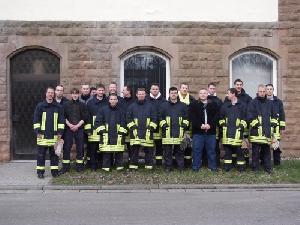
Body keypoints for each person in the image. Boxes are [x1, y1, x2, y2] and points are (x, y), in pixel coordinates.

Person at [33, 86, 65, 178]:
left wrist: (60, 133)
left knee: (54, 156)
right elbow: (36, 120)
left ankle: (54, 172)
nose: (50, 94)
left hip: (54, 136)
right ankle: (40, 172)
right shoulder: (40, 106)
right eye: (49, 92)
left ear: (53, 94)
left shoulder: (58, 107)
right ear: (46, 94)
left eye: (52, 93)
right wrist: (37, 132)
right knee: (40, 155)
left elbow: (61, 121)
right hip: (42, 136)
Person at [247, 84, 278, 174]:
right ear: (258, 91)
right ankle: (255, 168)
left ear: (266, 92)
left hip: (267, 132)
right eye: (260, 91)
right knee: (255, 152)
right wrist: (256, 124)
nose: (262, 93)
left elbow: (274, 115)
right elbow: (249, 115)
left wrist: (272, 124)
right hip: (256, 132)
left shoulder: (270, 103)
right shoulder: (253, 102)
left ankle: (267, 168)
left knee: (267, 152)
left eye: (264, 91)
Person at [94, 93, 127, 171]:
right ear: (109, 100)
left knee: (119, 152)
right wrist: (103, 131)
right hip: (106, 135)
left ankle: (119, 167)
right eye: (111, 99)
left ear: (117, 100)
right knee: (107, 152)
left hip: (118, 135)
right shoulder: (103, 110)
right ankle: (106, 168)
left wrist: (121, 131)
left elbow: (125, 122)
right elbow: (97, 122)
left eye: (114, 99)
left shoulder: (122, 111)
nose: (113, 101)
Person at [126, 88, 157, 170]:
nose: (141, 95)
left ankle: (149, 166)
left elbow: (154, 118)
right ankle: (133, 166)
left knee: (149, 150)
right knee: (134, 151)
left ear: (145, 94)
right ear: (136, 95)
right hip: (135, 132)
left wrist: (151, 126)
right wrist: (132, 126)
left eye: (142, 94)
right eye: (139, 94)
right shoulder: (132, 106)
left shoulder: (151, 106)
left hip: (147, 132)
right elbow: (128, 118)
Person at [159, 87, 189, 172]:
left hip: (179, 132)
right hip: (167, 132)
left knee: (180, 151)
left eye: (175, 93)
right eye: (172, 93)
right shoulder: (163, 105)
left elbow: (187, 118)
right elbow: (160, 117)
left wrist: (184, 125)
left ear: (177, 94)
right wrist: (163, 124)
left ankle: (180, 167)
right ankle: (168, 167)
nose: (173, 94)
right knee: (167, 151)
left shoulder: (183, 106)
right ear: (169, 94)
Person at [59, 88, 88, 174]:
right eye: (73, 93)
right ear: (71, 95)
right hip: (69, 129)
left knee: (80, 148)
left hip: (80, 129)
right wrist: (70, 125)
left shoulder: (83, 105)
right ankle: (65, 168)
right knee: (67, 148)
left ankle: (79, 167)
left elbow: (85, 118)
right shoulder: (66, 105)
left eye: (76, 93)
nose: (75, 95)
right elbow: (63, 117)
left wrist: (78, 125)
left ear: (78, 94)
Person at [189, 88, 218, 172]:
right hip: (198, 132)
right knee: (197, 150)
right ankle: (196, 167)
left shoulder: (213, 104)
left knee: (211, 150)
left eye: (204, 93)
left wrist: (210, 125)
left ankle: (212, 167)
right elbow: (192, 117)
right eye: (201, 93)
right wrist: (200, 125)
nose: (202, 94)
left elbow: (216, 116)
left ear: (207, 94)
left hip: (210, 132)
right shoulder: (194, 104)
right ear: (199, 94)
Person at [225, 79, 252, 166]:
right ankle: (233, 163)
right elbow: (225, 110)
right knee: (233, 145)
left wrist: (244, 124)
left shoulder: (247, 97)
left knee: (244, 144)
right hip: (232, 126)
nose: (239, 86)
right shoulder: (228, 98)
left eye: (240, 84)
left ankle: (245, 162)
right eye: (237, 84)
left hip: (244, 126)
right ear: (234, 85)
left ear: (242, 86)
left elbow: (249, 111)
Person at [219, 88, 247, 172]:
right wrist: (223, 124)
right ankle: (227, 167)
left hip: (237, 132)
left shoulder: (242, 105)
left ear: (233, 94)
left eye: (228, 94)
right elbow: (221, 117)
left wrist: (242, 126)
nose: (227, 95)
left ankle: (241, 168)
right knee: (227, 151)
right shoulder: (225, 105)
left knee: (239, 152)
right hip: (227, 133)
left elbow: (245, 118)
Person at [85, 84, 108, 170]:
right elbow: (87, 116)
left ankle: (102, 165)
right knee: (93, 150)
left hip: (104, 128)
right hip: (93, 130)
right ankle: (93, 166)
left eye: (102, 90)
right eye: (99, 90)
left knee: (103, 148)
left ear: (104, 91)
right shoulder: (90, 102)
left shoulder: (107, 101)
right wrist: (88, 129)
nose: (101, 92)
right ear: (96, 91)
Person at [266, 84, 286, 166]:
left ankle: (277, 163)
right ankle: (264, 162)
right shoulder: (263, 101)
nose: (269, 90)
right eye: (268, 89)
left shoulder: (278, 102)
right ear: (265, 90)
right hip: (265, 128)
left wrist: (282, 128)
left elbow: (282, 115)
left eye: (271, 89)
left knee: (275, 146)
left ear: (273, 90)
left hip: (275, 129)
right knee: (265, 147)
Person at [147, 83, 165, 166]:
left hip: (160, 127)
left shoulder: (164, 100)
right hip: (149, 126)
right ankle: (149, 162)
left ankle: (158, 163)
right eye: (153, 89)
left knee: (159, 146)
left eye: (156, 89)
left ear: (159, 90)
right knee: (149, 146)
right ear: (150, 90)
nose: (155, 90)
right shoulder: (146, 100)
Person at [178, 83, 195, 166]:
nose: (184, 89)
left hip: (188, 126)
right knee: (178, 145)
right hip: (177, 126)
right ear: (180, 89)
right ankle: (177, 162)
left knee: (187, 144)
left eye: (186, 88)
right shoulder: (175, 98)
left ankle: (187, 163)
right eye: (183, 88)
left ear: (188, 89)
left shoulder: (192, 99)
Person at [207, 82, 223, 167]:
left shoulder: (219, 101)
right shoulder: (204, 98)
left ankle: (216, 163)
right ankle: (205, 163)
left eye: (214, 88)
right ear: (208, 89)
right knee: (205, 146)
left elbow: (220, 114)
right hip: (205, 126)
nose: (212, 90)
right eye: (211, 88)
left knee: (215, 146)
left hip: (215, 127)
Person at [122, 85, 135, 163]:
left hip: (132, 127)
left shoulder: (134, 102)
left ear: (128, 91)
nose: (122, 92)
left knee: (132, 145)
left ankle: (131, 160)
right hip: (122, 126)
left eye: (123, 90)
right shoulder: (120, 102)